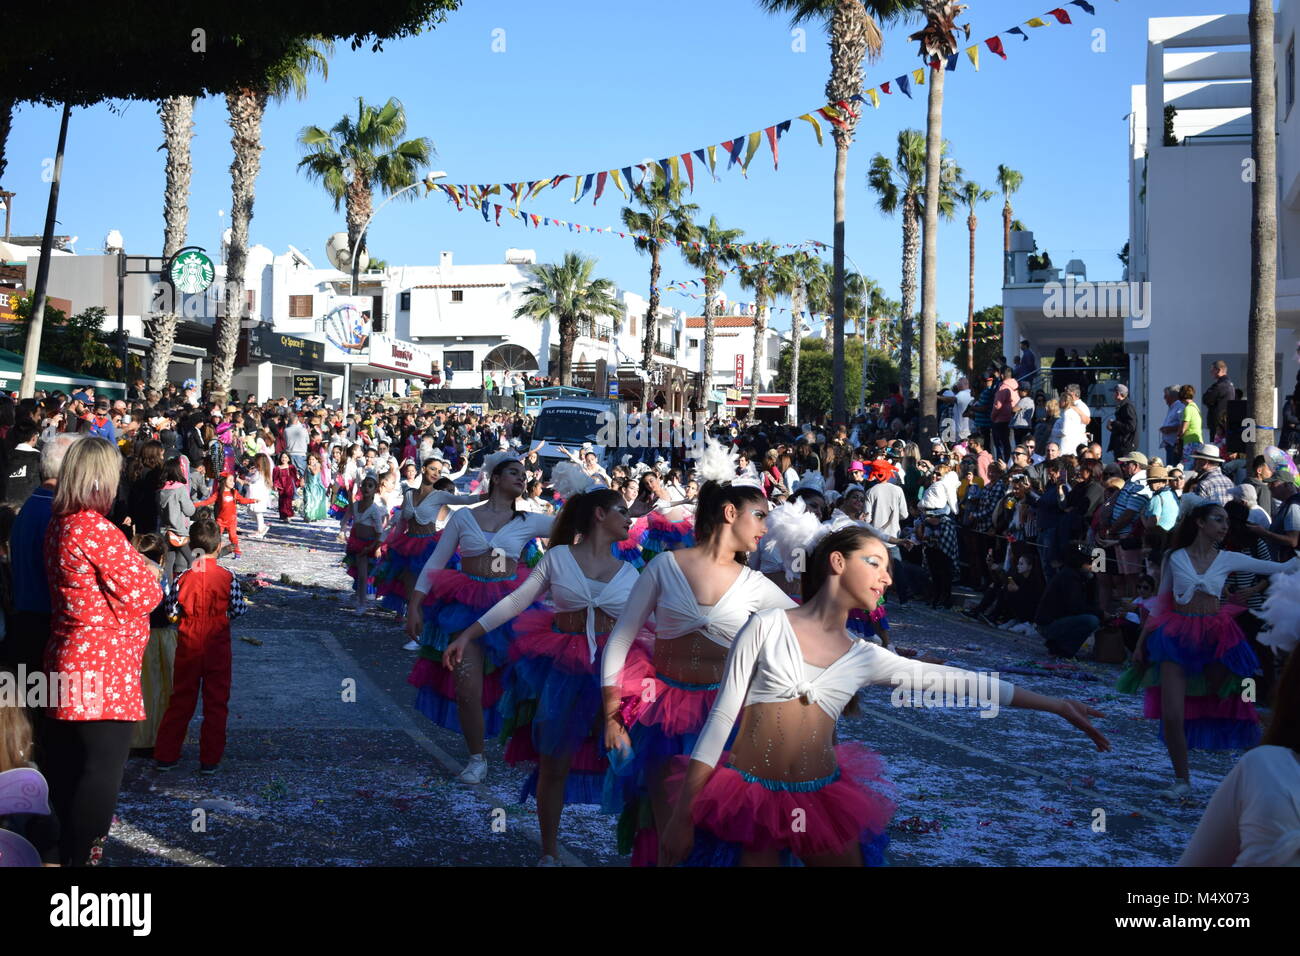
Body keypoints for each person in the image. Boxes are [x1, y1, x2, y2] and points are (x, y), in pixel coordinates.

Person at [659, 526, 1110, 867]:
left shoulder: (866, 655)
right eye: (875, 562)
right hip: (749, 796)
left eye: (888, 568)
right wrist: (681, 814)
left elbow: (962, 683)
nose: (887, 578)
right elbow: (721, 720)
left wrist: (1054, 704)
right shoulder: (767, 626)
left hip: (821, 797)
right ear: (837, 562)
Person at [600, 450, 795, 866]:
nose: (765, 526)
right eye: (759, 515)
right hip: (663, 713)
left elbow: (810, 629)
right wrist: (611, 713)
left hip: (729, 716)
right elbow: (621, 639)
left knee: (722, 828)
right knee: (670, 830)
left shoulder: (756, 584)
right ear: (729, 513)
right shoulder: (665, 567)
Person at [446, 464, 639, 865]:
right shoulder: (559, 558)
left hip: (617, 671)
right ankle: (549, 851)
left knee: (632, 764)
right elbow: (516, 601)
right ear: (599, 516)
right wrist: (468, 634)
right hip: (563, 670)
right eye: (621, 510)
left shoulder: (633, 571)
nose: (629, 518)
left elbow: (654, 622)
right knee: (554, 762)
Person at [1118, 502, 1300, 799]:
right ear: (1200, 523)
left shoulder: (1228, 558)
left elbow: (1279, 568)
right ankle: (1182, 781)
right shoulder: (1174, 557)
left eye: (1227, 521)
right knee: (1173, 714)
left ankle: (1267, 768)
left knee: (1238, 707)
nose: (1225, 526)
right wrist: (1141, 643)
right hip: (1175, 636)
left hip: (1217, 638)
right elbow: (1162, 601)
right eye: (1218, 519)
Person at [40, 436, 163, 865]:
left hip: (66, 659)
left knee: (70, 772)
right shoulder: (93, 528)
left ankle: (66, 855)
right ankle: (82, 864)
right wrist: (147, 567)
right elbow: (147, 593)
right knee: (101, 774)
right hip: (103, 670)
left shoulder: (61, 521)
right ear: (98, 480)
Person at [406, 455, 553, 784]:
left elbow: (579, 527)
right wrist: (414, 605)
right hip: (465, 605)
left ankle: (532, 751)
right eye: (514, 472)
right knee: (467, 685)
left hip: (516, 610)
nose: (521, 478)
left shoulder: (530, 519)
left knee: (527, 685)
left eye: (524, 475)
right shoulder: (464, 518)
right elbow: (436, 562)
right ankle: (476, 758)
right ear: (496, 478)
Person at [153, 518, 247, 774]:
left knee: (181, 700)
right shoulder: (227, 576)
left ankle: (166, 755)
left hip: (189, 642)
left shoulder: (184, 576)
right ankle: (210, 759)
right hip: (217, 643)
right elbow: (239, 609)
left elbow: (171, 612)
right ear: (218, 547)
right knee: (216, 703)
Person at [1035, 545, 1104, 658]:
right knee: (1091, 620)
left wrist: (1092, 582)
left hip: (1060, 619)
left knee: (1092, 617)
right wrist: (1100, 613)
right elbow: (1076, 607)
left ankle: (1057, 645)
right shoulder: (1069, 577)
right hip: (1048, 624)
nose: (1092, 566)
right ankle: (1064, 650)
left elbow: (1090, 602)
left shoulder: (1079, 577)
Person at [343, 476, 387, 612]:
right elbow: (351, 518)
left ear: (375, 490)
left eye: (370, 486)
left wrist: (373, 547)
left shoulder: (374, 509)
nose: (367, 488)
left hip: (368, 544)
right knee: (359, 572)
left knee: (363, 574)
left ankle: (362, 603)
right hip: (356, 541)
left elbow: (380, 531)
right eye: (365, 485)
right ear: (360, 488)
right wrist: (343, 529)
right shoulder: (356, 505)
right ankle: (359, 598)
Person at [196, 472, 256, 560]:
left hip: (232, 520)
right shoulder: (219, 493)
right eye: (230, 480)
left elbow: (242, 500)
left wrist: (252, 500)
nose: (233, 483)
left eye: (233, 481)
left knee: (233, 537)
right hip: (221, 520)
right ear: (224, 482)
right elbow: (208, 501)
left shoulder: (234, 492)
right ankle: (215, 552)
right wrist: (196, 504)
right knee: (216, 536)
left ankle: (237, 552)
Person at [157, 457, 196, 580]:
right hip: (179, 532)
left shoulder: (160, 490)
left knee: (168, 565)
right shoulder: (179, 488)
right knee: (193, 561)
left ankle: (169, 592)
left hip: (165, 532)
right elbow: (189, 510)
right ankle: (189, 586)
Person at [1202, 360, 1234, 444]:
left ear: (1219, 370)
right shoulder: (1229, 384)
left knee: (1216, 449)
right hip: (1223, 423)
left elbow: (1206, 399)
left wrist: (1211, 402)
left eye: (1212, 370)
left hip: (1218, 424)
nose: (1211, 372)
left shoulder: (1221, 385)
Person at [1106, 383, 1138, 462]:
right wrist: (1112, 428)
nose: (1113, 395)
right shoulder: (1123, 406)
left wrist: (1114, 423)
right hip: (1121, 445)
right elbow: (1124, 428)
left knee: (1122, 468)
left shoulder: (1127, 406)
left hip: (1125, 447)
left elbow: (1131, 427)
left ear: (1118, 394)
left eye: (1114, 393)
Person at [272, 452, 299, 522]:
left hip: (289, 486)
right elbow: (275, 478)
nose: (284, 459)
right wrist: (275, 485)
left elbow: (295, 477)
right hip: (281, 486)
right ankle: (283, 515)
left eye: (286, 457)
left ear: (289, 459)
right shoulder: (277, 468)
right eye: (282, 457)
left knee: (288, 501)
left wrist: (298, 483)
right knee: (282, 501)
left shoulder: (291, 467)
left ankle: (288, 515)